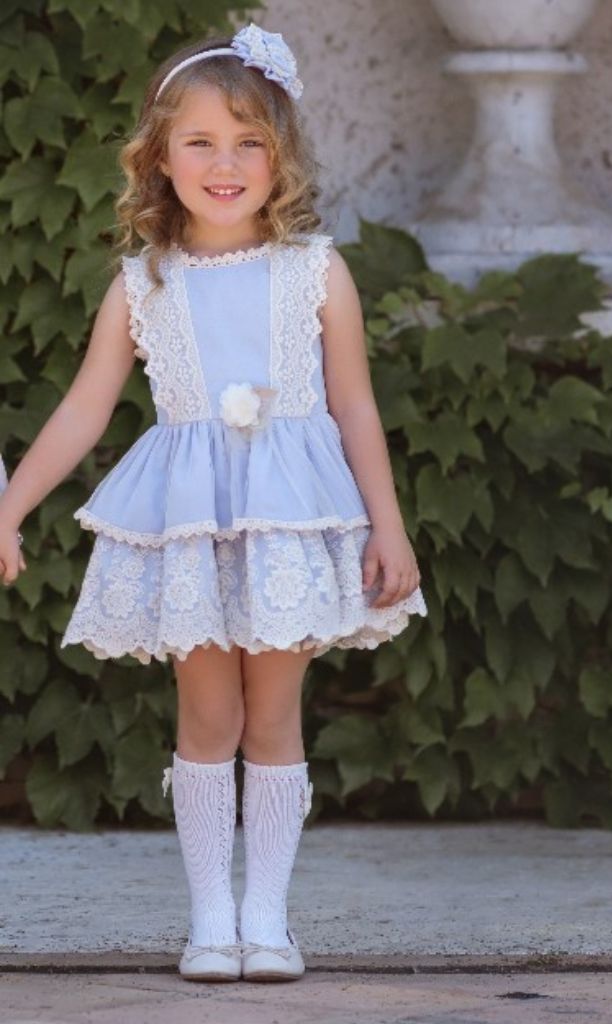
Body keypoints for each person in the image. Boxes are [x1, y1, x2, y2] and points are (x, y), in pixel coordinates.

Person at [0, 23, 428, 983]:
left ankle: (267, 922)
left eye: (248, 143)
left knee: (273, 713)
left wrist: (387, 526)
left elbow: (355, 404)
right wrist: (9, 507)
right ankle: (211, 920)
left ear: (281, 158)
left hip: (290, 520)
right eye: (199, 142)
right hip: (189, 523)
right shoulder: (143, 283)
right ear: (158, 156)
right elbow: (82, 411)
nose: (225, 164)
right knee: (206, 715)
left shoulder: (315, 271)